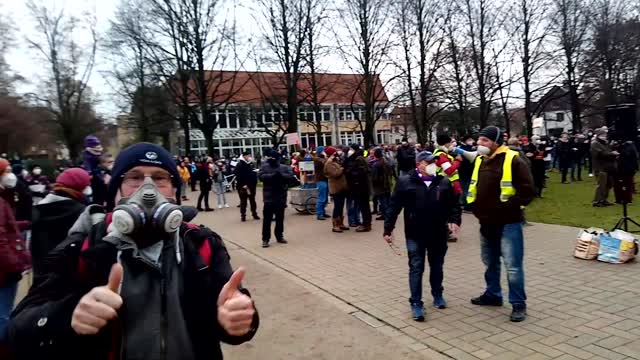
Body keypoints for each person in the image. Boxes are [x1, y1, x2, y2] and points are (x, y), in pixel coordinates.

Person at [8, 143, 259, 359]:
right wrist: (69, 315)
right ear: (116, 188)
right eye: (134, 177)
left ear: (174, 190)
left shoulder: (201, 243)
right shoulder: (82, 246)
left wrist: (239, 320)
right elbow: (18, 328)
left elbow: (233, 309)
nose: (147, 189)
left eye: (160, 177)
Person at [466, 126, 535, 322]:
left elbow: (528, 190)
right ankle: (493, 294)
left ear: (496, 142)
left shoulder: (513, 159)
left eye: (485, 141)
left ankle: (518, 304)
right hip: (486, 221)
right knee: (490, 261)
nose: (480, 145)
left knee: (512, 266)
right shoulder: (481, 160)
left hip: (508, 222)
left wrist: (509, 208)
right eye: (479, 141)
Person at [384, 151, 461, 321]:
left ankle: (437, 294)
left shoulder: (443, 182)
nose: (433, 165)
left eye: (434, 162)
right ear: (419, 164)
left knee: (437, 265)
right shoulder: (405, 182)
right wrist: (388, 229)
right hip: (415, 232)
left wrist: (454, 220)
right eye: (428, 162)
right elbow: (394, 206)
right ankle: (416, 302)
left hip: (438, 232)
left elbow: (454, 204)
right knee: (416, 267)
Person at [30, 168, 91, 279]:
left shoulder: (38, 209)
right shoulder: (82, 212)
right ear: (80, 187)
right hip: (71, 276)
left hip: (42, 274)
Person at [0, 159, 31, 343]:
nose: (11, 175)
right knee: (3, 314)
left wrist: (21, 224)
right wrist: (15, 264)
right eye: (6, 171)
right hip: (5, 271)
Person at [259, 149, 297, 248]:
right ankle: (265, 238)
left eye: (274, 157)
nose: (272, 159)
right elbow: (261, 177)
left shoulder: (284, 167)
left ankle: (279, 235)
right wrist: (272, 176)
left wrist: (281, 175)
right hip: (269, 197)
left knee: (280, 219)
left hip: (280, 196)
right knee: (267, 219)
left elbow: (290, 177)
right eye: (271, 157)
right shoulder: (264, 167)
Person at [344, 144, 372, 232]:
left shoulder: (358, 159)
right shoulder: (358, 157)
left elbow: (360, 172)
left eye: (351, 149)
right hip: (362, 185)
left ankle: (366, 224)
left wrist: (349, 171)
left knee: (364, 206)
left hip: (361, 186)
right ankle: (366, 223)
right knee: (364, 205)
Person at [324, 147, 350, 233]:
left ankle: (340, 223)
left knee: (341, 205)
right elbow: (335, 174)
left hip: (341, 187)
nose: (337, 153)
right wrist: (342, 169)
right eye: (335, 152)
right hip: (335, 188)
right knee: (337, 206)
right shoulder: (329, 163)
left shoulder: (335, 161)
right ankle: (335, 225)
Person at [591, 128, 618, 207]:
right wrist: (612, 154)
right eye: (602, 135)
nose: (604, 136)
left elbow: (608, 151)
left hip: (608, 167)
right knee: (601, 184)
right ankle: (597, 201)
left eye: (605, 135)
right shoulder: (595, 143)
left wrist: (612, 149)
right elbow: (600, 154)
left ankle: (604, 199)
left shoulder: (605, 143)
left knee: (609, 184)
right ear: (598, 135)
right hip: (600, 167)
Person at [235, 151, 260, 222]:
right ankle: (243, 215)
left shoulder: (250, 164)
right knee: (243, 201)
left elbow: (251, 173)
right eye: (248, 156)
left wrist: (255, 173)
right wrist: (243, 185)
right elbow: (238, 176)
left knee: (252, 200)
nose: (249, 157)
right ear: (244, 156)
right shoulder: (240, 164)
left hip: (251, 186)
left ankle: (254, 214)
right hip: (243, 186)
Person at [371, 148, 394, 221]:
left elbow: (374, 177)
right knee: (387, 199)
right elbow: (391, 172)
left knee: (382, 201)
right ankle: (387, 214)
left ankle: (386, 215)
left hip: (380, 185)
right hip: (387, 183)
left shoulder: (376, 164)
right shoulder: (386, 162)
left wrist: (373, 183)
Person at [314, 146, 330, 221]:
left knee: (325, 198)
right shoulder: (317, 159)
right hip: (320, 180)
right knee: (321, 197)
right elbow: (325, 163)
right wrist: (326, 157)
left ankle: (323, 212)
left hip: (325, 179)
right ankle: (319, 213)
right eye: (323, 151)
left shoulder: (321, 158)